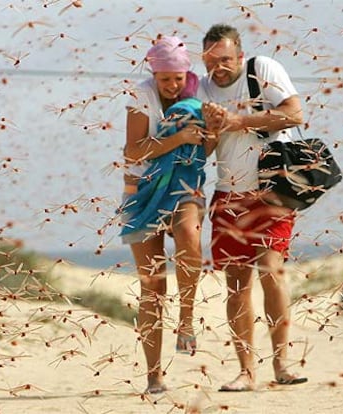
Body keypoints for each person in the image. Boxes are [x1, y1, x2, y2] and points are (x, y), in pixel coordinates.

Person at [198, 24, 308, 391]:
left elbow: (294, 114)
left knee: (271, 270)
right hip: (229, 191)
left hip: (272, 187)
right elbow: (205, 151)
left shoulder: (262, 69)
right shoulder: (201, 89)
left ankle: (281, 364)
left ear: (239, 56)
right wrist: (213, 129)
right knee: (236, 284)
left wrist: (238, 120)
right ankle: (246, 371)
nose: (219, 67)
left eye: (225, 59)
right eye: (212, 60)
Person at [120, 35, 211, 394]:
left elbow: (207, 143)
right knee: (152, 286)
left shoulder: (199, 92)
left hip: (185, 186)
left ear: (187, 71)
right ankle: (154, 374)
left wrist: (211, 129)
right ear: (153, 75)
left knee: (190, 237)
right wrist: (179, 137)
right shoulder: (140, 96)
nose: (173, 86)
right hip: (141, 192)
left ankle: (186, 321)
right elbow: (133, 150)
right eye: (165, 80)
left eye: (178, 78)